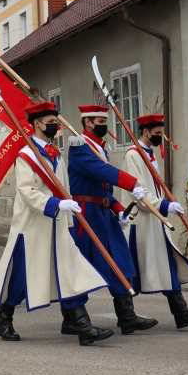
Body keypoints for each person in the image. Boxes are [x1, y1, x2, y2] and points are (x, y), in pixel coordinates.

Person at [0, 101, 114, 346]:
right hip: (32, 226)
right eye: (51, 122)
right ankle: (4, 319)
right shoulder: (27, 155)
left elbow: (63, 187)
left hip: (57, 223)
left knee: (70, 269)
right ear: (37, 124)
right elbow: (27, 191)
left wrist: (67, 209)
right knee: (21, 275)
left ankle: (80, 324)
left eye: (56, 122)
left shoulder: (53, 152)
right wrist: (56, 205)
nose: (55, 126)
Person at [67, 104, 156, 334]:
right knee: (81, 266)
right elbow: (100, 171)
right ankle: (72, 318)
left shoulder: (99, 147)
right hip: (85, 214)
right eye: (99, 122)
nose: (104, 126)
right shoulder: (80, 147)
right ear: (87, 123)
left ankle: (126, 316)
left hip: (103, 213)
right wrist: (132, 183)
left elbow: (103, 187)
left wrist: (117, 208)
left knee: (119, 260)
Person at [122, 115, 188, 329]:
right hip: (140, 222)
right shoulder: (134, 155)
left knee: (168, 263)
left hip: (156, 221)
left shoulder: (149, 155)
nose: (161, 137)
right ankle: (126, 317)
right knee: (132, 268)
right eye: (157, 133)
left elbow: (154, 188)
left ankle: (182, 313)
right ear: (146, 132)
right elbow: (138, 191)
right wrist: (163, 206)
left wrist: (166, 203)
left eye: (162, 133)